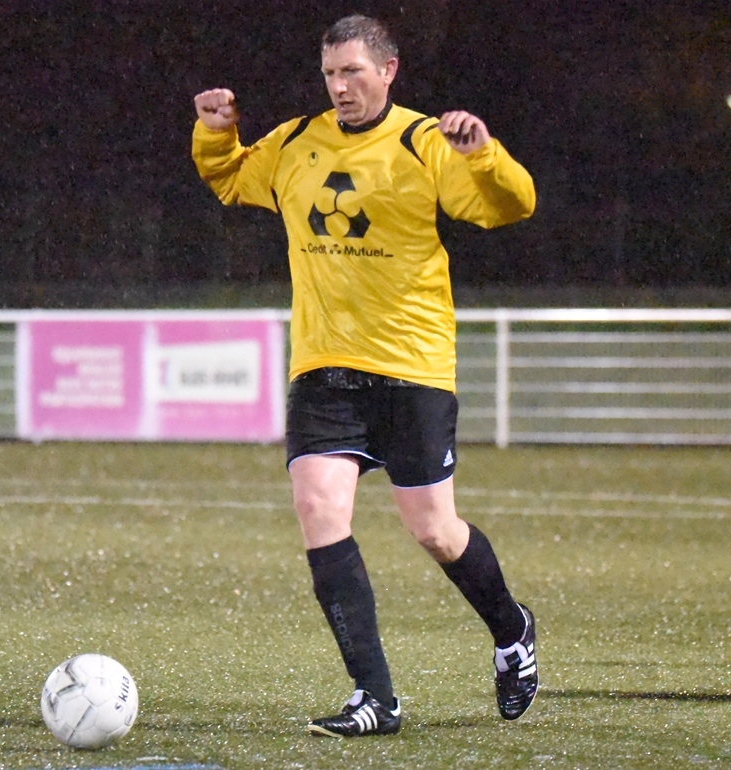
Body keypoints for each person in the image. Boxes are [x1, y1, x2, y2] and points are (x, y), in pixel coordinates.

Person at [192, 14, 538, 737]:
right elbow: (232, 181)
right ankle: (375, 697)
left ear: (388, 70)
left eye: (352, 71)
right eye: (329, 73)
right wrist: (218, 134)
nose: (339, 87)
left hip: (411, 365)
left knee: (435, 531)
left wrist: (484, 156)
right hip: (325, 366)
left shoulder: (426, 142)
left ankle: (512, 631)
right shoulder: (294, 142)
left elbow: (509, 206)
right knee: (319, 509)